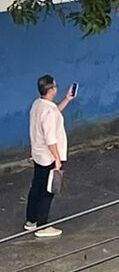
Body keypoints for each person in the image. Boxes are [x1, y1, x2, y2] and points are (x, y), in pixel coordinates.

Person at [25, 74, 74, 238]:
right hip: (49, 157)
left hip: (38, 155)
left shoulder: (39, 105)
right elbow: (51, 138)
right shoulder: (48, 111)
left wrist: (67, 99)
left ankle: (31, 221)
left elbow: (54, 112)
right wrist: (57, 159)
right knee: (48, 191)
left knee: (36, 187)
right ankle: (42, 225)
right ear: (51, 89)